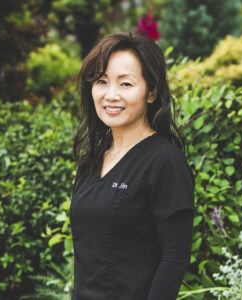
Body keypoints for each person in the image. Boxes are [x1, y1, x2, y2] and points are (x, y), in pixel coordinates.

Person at [70, 32, 195, 300]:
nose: (111, 95)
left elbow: (175, 256)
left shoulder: (165, 161)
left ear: (151, 92)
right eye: (101, 81)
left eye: (125, 84)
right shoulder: (91, 161)